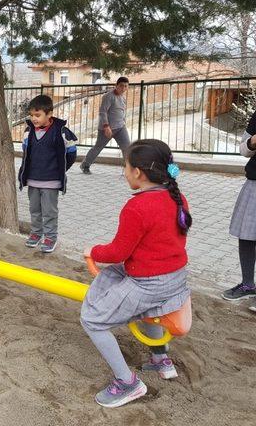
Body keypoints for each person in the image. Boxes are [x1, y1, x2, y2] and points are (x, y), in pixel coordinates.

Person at [81, 139, 192, 408]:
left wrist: (93, 251)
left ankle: (127, 382)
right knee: (146, 311)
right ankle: (160, 360)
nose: (124, 172)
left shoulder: (137, 207)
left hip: (149, 282)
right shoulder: (177, 197)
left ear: (138, 173)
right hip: (176, 278)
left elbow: (118, 251)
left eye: (125, 166)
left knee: (93, 320)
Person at [18, 94, 78, 253]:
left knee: (49, 211)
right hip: (33, 180)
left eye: (38, 115)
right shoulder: (28, 131)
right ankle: (36, 234)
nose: (34, 119)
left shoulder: (62, 132)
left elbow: (71, 153)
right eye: (31, 115)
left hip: (51, 181)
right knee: (34, 209)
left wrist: (59, 169)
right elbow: (26, 154)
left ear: (49, 114)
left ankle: (50, 237)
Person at [222, 109, 256, 312]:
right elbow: (243, 149)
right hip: (254, 182)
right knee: (246, 235)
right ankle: (248, 285)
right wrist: (252, 143)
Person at [80, 77, 131, 174]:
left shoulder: (123, 98)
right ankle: (85, 165)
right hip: (107, 128)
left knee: (127, 147)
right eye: (121, 86)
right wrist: (106, 126)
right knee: (98, 147)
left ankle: (129, 169)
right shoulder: (108, 96)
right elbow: (103, 112)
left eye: (125, 86)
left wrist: (124, 122)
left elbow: (121, 112)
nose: (123, 88)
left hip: (120, 127)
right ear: (116, 86)